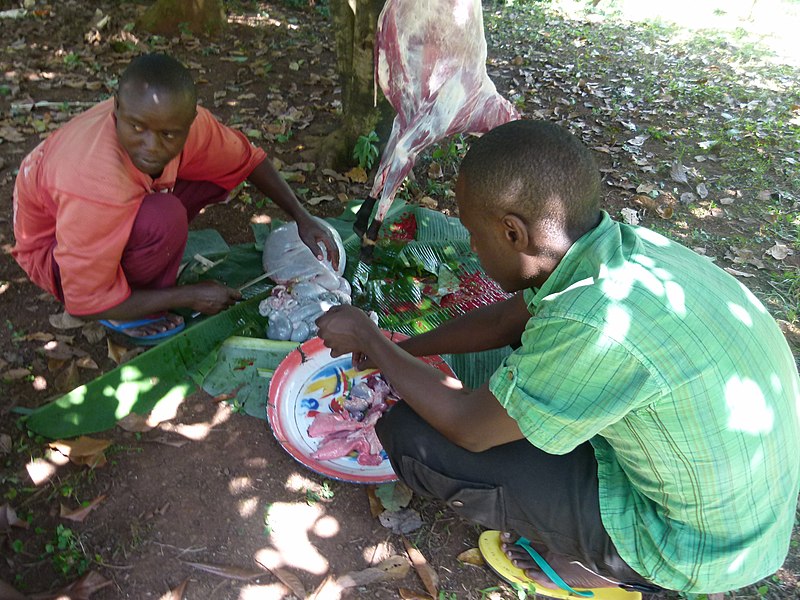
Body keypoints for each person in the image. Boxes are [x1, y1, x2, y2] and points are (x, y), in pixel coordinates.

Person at [316, 120, 800, 596]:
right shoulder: (622, 251)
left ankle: (619, 568)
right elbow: (508, 321)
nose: (472, 247)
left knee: (411, 436)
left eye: (472, 232)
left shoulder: (595, 322)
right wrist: (400, 345)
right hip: (746, 507)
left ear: (513, 233)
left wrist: (368, 336)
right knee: (524, 369)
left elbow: (469, 427)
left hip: (692, 545)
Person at [12, 53, 338, 344]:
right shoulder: (92, 180)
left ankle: (140, 261)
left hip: (100, 211)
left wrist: (302, 217)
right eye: (136, 127)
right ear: (116, 109)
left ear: (189, 123)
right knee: (164, 218)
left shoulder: (183, 124)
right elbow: (80, 303)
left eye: (168, 134)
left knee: (212, 175)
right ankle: (124, 309)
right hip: (53, 251)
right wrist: (189, 295)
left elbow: (248, 160)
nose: (151, 146)